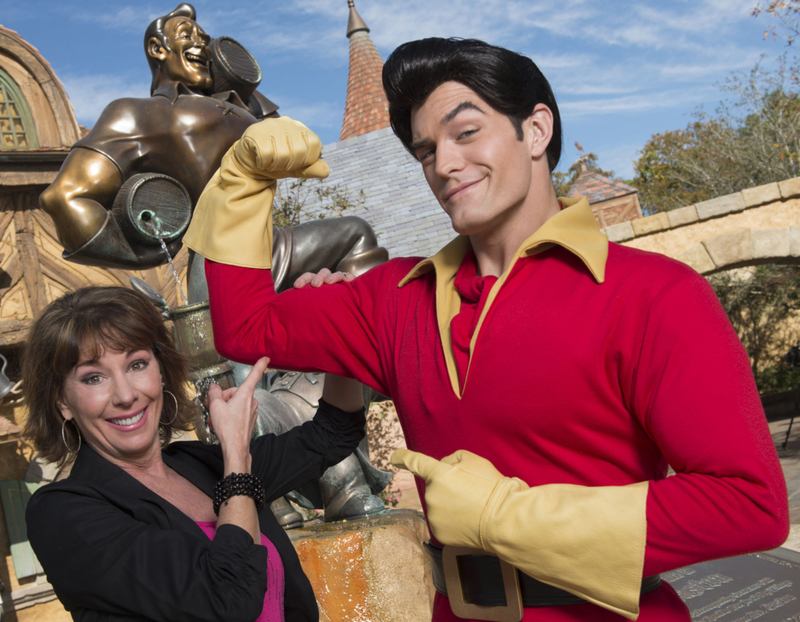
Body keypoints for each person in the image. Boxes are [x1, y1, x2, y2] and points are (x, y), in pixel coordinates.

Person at [182, 38, 790, 621]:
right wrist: (240, 186)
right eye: (425, 150)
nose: (444, 164)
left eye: (466, 132)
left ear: (536, 129)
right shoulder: (391, 299)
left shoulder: (656, 295)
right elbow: (246, 329)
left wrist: (509, 518)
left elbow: (750, 505)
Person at [23, 286, 366, 622]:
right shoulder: (62, 513)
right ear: (62, 402)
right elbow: (228, 597)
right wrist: (235, 453)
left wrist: (331, 315)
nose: (125, 395)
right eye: (94, 377)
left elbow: (334, 432)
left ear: (160, 370)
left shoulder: (199, 464)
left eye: (137, 364)